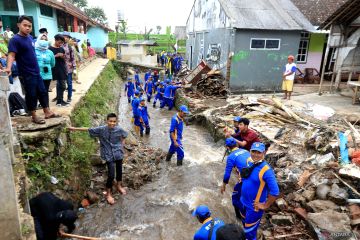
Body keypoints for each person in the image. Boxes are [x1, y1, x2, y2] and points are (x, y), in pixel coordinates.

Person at [5, 15, 59, 124]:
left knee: (42, 91)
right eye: (25, 25)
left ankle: (47, 112)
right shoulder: (15, 40)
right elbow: (11, 55)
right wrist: (8, 68)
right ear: (18, 25)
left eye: (29, 26)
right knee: (31, 94)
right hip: (26, 72)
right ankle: (34, 116)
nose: (28, 28)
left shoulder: (29, 37)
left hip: (36, 71)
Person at [68, 113, 128, 204]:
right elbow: (88, 129)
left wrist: (121, 146)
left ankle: (119, 186)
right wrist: (74, 128)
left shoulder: (119, 129)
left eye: (114, 121)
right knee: (111, 175)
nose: (112, 123)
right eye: (110, 121)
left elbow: (124, 135)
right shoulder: (101, 129)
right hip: (108, 154)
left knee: (119, 171)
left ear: (116, 121)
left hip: (118, 153)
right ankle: (108, 193)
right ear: (106, 121)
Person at [239, 142, 280, 240]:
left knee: (250, 233)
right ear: (250, 151)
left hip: (254, 208)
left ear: (264, 153)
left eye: (259, 152)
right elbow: (247, 173)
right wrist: (242, 179)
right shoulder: (249, 161)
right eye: (253, 151)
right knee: (245, 225)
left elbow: (275, 191)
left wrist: (265, 205)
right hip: (243, 202)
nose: (255, 154)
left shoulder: (266, 170)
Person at [220, 137, 252, 219]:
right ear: (236, 144)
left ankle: (240, 218)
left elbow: (227, 174)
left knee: (235, 199)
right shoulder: (246, 151)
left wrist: (223, 185)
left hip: (247, 179)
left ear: (227, 147)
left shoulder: (231, 157)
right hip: (255, 175)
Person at [35, 33, 55, 106]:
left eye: (45, 39)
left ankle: (46, 107)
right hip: (37, 75)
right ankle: (36, 105)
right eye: (42, 39)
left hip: (47, 75)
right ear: (38, 40)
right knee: (37, 91)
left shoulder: (50, 52)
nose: (43, 41)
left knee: (45, 91)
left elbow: (53, 64)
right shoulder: (34, 51)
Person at [49, 34, 69, 107]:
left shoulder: (61, 49)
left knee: (61, 85)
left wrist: (62, 56)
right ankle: (60, 100)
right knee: (62, 85)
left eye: (62, 43)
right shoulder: (50, 49)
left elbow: (65, 59)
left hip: (62, 68)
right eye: (59, 42)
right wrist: (55, 56)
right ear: (55, 40)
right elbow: (48, 59)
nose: (60, 44)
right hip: (55, 69)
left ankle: (60, 100)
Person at [62, 32, 76, 103]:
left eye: (67, 37)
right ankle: (59, 98)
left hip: (68, 68)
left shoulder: (70, 48)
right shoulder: (59, 46)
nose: (65, 38)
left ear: (69, 38)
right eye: (64, 36)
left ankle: (69, 97)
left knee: (69, 83)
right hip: (60, 68)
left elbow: (73, 58)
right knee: (60, 83)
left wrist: (74, 68)